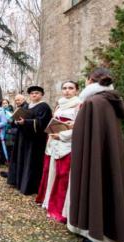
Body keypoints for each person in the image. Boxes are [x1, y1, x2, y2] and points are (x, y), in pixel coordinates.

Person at [68, 68, 124, 242]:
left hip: (94, 154)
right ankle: (115, 236)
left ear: (90, 81)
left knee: (97, 183)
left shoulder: (94, 102)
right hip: (109, 153)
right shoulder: (111, 100)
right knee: (111, 185)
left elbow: (83, 134)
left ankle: (101, 237)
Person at [35, 81, 81, 223]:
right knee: (50, 172)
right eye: (64, 88)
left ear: (76, 90)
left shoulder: (79, 105)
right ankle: (48, 201)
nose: (67, 91)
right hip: (53, 142)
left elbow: (79, 127)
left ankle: (59, 208)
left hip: (66, 144)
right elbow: (53, 122)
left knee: (63, 176)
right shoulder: (59, 104)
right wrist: (52, 134)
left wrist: (61, 135)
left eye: (70, 88)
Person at [10, 86, 52, 195]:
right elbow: (20, 119)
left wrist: (26, 122)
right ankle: (20, 182)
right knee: (22, 159)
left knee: (32, 162)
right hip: (24, 138)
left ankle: (30, 186)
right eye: (32, 93)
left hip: (35, 141)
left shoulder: (44, 107)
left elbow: (42, 123)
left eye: (37, 93)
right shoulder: (27, 106)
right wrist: (18, 121)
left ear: (41, 94)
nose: (34, 95)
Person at [5, 94, 28, 181]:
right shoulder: (18, 108)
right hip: (17, 133)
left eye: (19, 100)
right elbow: (13, 122)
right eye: (16, 100)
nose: (17, 101)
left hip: (22, 134)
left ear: (23, 99)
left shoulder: (25, 107)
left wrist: (15, 122)